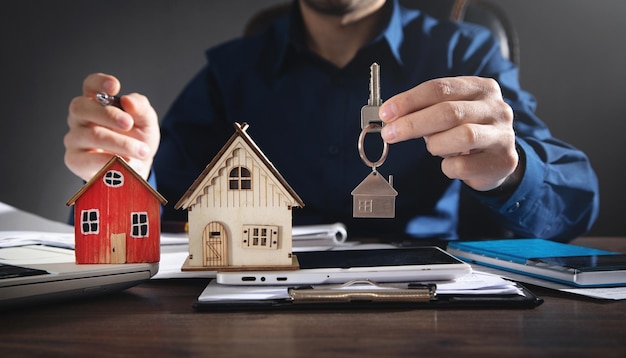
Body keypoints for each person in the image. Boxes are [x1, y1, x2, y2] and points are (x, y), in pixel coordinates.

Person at [64, 0, 599, 241]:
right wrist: (125, 172)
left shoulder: (467, 51)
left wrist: (509, 171)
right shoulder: (233, 71)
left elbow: (576, 204)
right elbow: (149, 217)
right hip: (264, 308)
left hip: (431, 306)